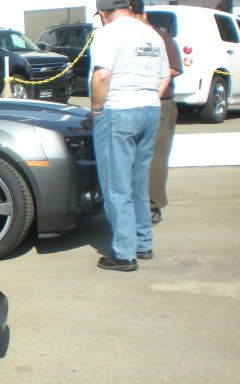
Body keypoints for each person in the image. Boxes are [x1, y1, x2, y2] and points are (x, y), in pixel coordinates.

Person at [90, 0, 170, 272]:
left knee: (116, 185)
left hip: (118, 110)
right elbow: (165, 77)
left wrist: (96, 110)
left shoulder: (107, 33)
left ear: (103, 13)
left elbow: (102, 76)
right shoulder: (151, 33)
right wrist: (147, 98)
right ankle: (143, 242)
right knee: (139, 182)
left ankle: (124, 253)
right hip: (150, 108)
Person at [129, 0, 183, 226]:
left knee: (156, 157)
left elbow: (174, 68)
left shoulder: (161, 37)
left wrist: (149, 75)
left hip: (160, 102)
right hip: (129, 102)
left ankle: (153, 206)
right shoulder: (125, 37)